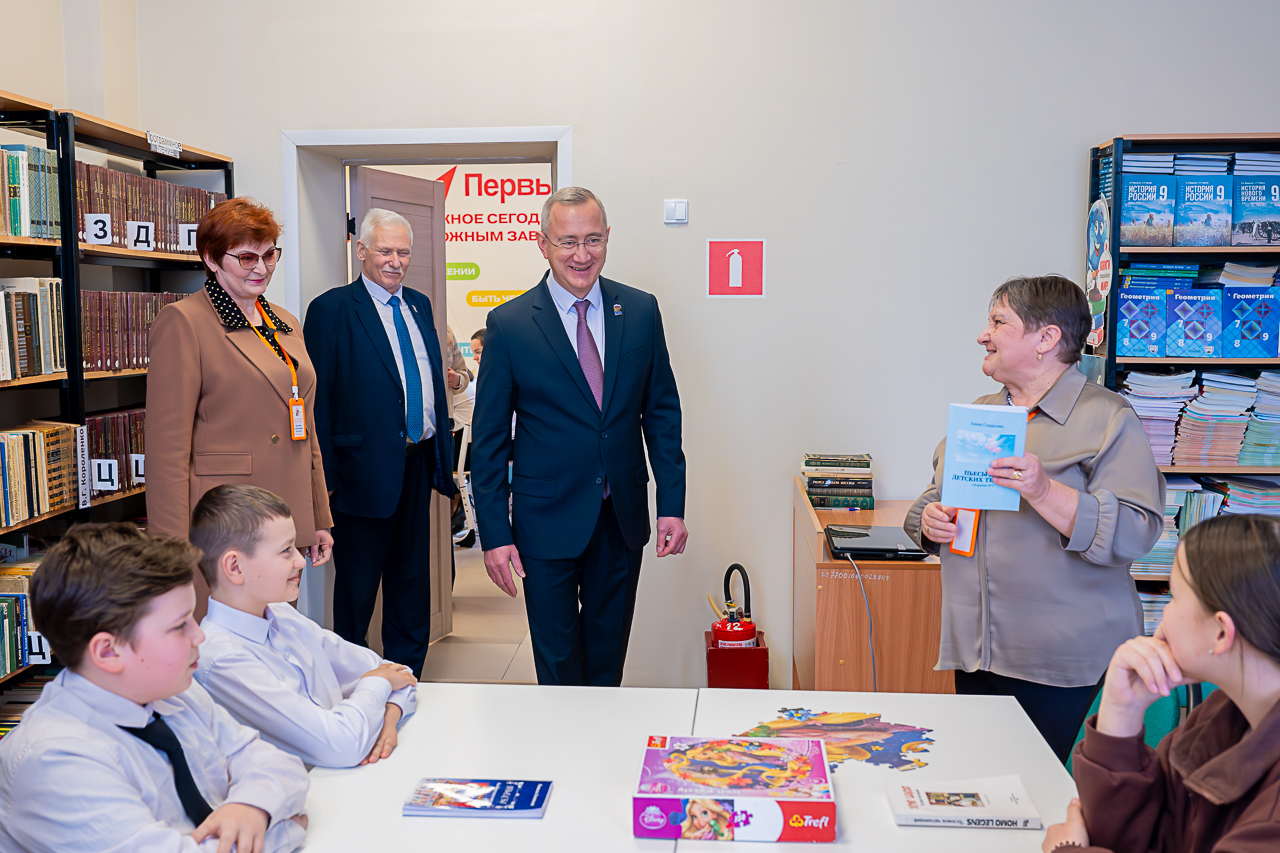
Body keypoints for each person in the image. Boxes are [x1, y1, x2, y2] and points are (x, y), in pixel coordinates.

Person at [905, 275, 1164, 761]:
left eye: (998, 322)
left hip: (1064, 667)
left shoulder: (1108, 417)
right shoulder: (982, 413)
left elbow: (1136, 529)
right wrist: (929, 520)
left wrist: (1045, 492)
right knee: (990, 787)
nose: (983, 335)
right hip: (978, 654)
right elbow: (936, 497)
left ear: (1046, 338)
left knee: (1050, 797)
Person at [471, 186, 687, 687]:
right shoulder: (510, 324)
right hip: (544, 522)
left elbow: (661, 413)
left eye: (593, 240)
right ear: (542, 243)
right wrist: (495, 535)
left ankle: (602, 737)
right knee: (559, 668)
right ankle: (562, 738)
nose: (581, 255)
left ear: (607, 237)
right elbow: (489, 441)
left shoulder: (640, 310)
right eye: (567, 242)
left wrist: (671, 505)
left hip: (620, 517)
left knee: (608, 664)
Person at [0, 523, 309, 853]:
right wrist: (285, 828)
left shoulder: (175, 692)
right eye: (179, 626)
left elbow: (277, 763)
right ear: (108, 652)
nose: (199, 635)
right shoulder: (54, 760)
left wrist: (251, 807)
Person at [1043, 514, 1280, 853]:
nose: (1165, 615)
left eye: (1174, 596)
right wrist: (1121, 714)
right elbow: (1132, 839)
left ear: (1221, 633)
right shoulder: (1219, 716)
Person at [147, 197, 333, 619]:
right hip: (223, 521)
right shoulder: (184, 322)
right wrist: (170, 550)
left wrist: (316, 517)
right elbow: (166, 451)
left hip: (282, 516)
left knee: (276, 635)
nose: (261, 268)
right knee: (222, 641)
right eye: (247, 257)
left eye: (269, 255)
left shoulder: (285, 322)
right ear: (211, 259)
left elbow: (306, 430)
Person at [304, 208, 455, 676]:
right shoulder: (331, 310)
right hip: (358, 475)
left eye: (403, 252)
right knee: (357, 592)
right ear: (361, 250)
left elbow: (428, 381)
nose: (395, 261)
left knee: (412, 586)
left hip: (417, 463)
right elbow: (318, 401)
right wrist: (324, 480)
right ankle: (352, 683)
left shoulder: (420, 305)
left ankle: (408, 679)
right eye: (385, 251)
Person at [190, 484, 417, 768]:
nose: (300, 560)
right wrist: (377, 684)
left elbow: (399, 674)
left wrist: (390, 716)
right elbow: (343, 746)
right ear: (235, 567)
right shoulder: (222, 659)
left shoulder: (284, 616)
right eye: (286, 550)